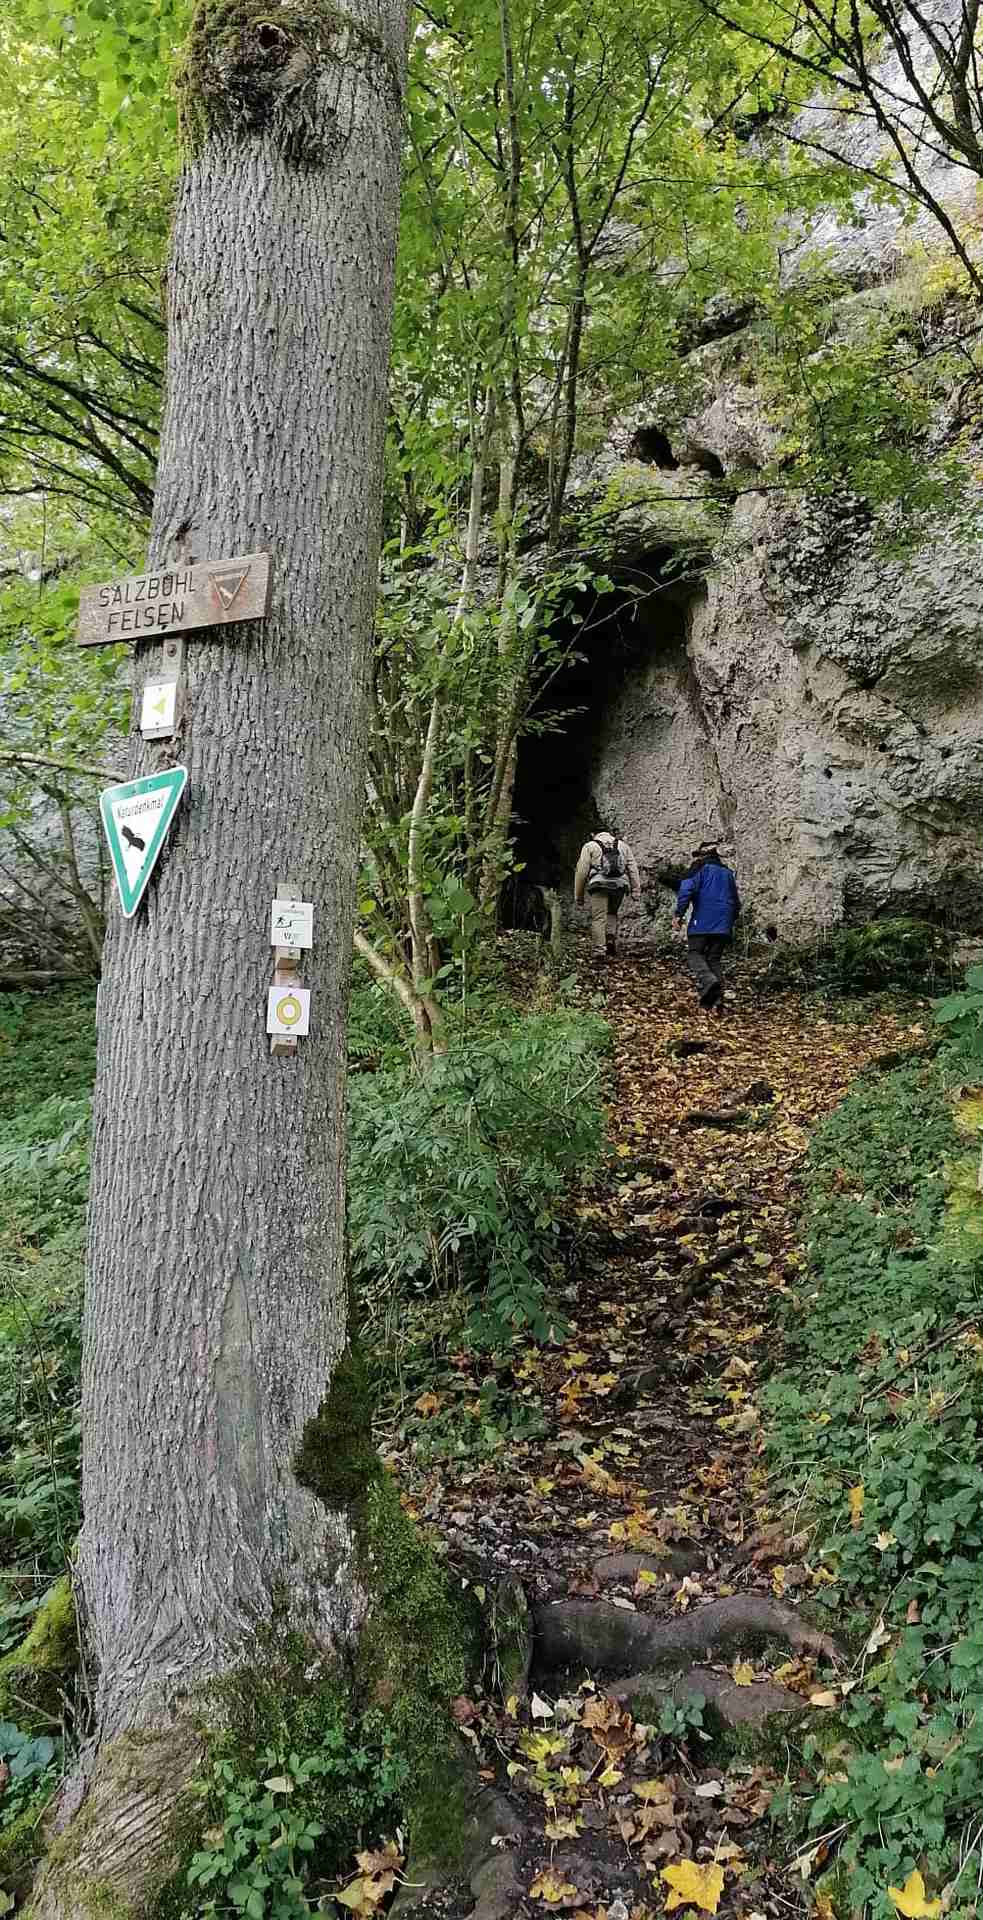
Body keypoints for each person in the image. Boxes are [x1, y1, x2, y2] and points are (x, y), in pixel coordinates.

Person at [673, 842, 741, 1011]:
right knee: (714, 958)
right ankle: (717, 1001)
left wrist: (678, 915)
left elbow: (686, 890)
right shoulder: (727, 873)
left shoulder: (698, 868)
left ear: (702, 855)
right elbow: (736, 901)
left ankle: (708, 981)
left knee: (694, 953)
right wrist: (729, 921)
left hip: (703, 919)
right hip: (724, 922)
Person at [574, 827, 641, 960]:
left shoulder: (590, 846)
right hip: (619, 885)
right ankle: (610, 940)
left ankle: (599, 950)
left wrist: (579, 896)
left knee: (599, 918)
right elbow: (633, 869)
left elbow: (581, 872)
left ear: (593, 834)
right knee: (612, 913)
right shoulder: (623, 845)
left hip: (599, 885)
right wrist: (636, 890)